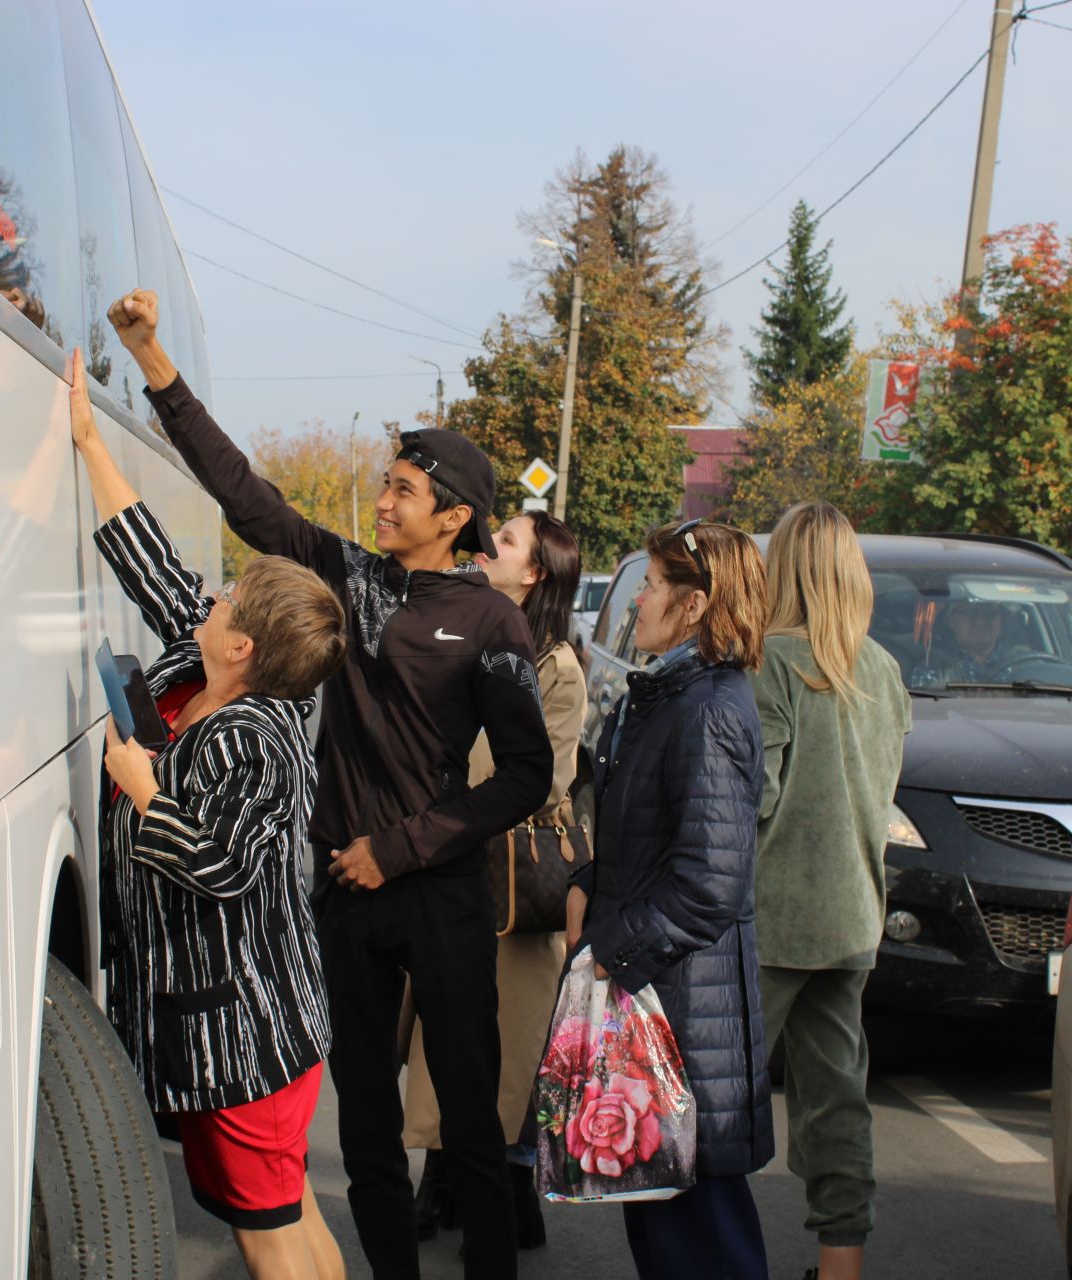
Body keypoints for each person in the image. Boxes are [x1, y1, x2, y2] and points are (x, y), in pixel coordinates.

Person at [106, 290, 553, 1280]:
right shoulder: (351, 578)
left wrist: (398, 845)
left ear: (455, 515)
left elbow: (528, 773)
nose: (383, 501)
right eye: (384, 483)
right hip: (343, 902)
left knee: (470, 1123)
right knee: (366, 1135)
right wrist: (155, 362)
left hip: (435, 893)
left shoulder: (491, 625)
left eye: (401, 489)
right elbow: (247, 497)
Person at [67, 351, 348, 1280]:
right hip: (236, 1034)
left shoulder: (255, 734)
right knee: (287, 1214)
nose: (212, 592)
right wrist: (89, 444)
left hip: (249, 1038)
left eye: (228, 595)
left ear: (243, 644)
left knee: (273, 1239)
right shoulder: (214, 670)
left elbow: (221, 864)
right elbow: (153, 564)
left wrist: (140, 782)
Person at [568, 518, 774, 1279]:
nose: (640, 598)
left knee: (702, 1241)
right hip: (663, 1003)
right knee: (667, 1234)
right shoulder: (668, 696)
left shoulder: (708, 708)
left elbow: (710, 884)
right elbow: (639, 841)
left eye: (653, 584)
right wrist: (591, 888)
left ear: (694, 606)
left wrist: (608, 951)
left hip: (687, 1013)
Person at [401, 510, 587, 1251]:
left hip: (512, 884)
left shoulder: (558, 668)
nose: (487, 548)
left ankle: (506, 1191)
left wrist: (441, 778)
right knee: (443, 1032)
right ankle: (440, 1178)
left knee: (508, 1050)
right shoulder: (466, 629)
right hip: (449, 868)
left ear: (535, 573)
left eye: (504, 542)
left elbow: (541, 778)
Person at [752, 503, 912, 1280]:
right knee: (837, 1098)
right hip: (853, 916)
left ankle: (711, 1251)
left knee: (712, 1097)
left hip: (770, 919)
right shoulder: (880, 668)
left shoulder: (772, 662)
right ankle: (841, 1263)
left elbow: (755, 800)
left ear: (783, 567)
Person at [932, 599, 1022, 683]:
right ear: (951, 621)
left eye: (989, 613)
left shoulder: (1025, 664)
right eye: (970, 612)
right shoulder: (933, 666)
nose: (981, 620)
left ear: (1001, 620)